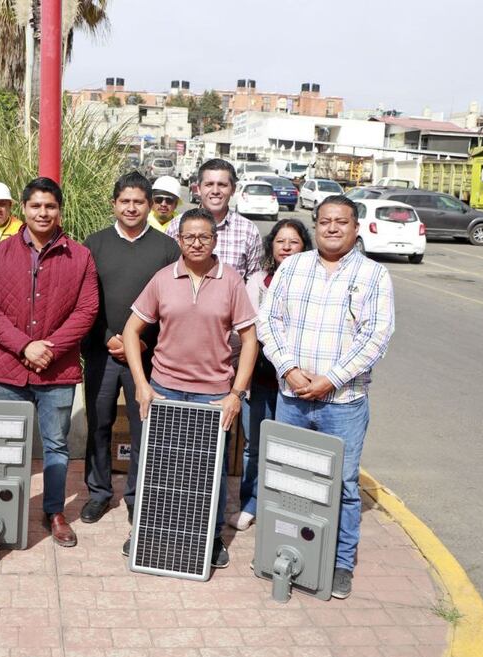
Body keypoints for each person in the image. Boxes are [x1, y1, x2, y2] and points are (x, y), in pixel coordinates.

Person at [258, 195, 394, 599]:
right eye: (325, 221)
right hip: (293, 396)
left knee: (344, 486)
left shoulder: (373, 275)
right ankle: (285, 550)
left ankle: (340, 563)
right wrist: (289, 369)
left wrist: (330, 379)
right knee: (287, 478)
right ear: (315, 225)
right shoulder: (294, 267)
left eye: (342, 222)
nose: (332, 228)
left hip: (344, 402)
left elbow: (377, 337)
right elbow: (269, 320)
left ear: (355, 228)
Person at [122, 208, 258, 568]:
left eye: (204, 237)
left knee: (207, 475)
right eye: (189, 237)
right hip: (164, 390)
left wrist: (236, 393)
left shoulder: (231, 282)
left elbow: (249, 340)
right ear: (178, 240)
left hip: (213, 395)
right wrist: (141, 384)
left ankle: (210, 539)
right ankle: (148, 532)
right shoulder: (163, 279)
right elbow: (131, 331)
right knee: (160, 470)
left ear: (215, 241)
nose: (196, 243)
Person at [0, 177, 99, 548]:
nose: (42, 212)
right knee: (5, 446)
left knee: (56, 445)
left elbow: (87, 309)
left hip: (57, 370)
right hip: (7, 368)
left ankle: (54, 511)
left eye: (50, 206)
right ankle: (2, 512)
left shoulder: (80, 256)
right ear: (23, 210)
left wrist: (51, 347)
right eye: (35, 206)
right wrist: (25, 346)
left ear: (59, 210)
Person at [80, 172, 180, 542]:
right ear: (114, 204)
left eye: (139, 201)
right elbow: (86, 301)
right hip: (102, 352)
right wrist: (110, 338)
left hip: (147, 356)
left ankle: (137, 496)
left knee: (144, 429)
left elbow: (172, 305)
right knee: (99, 423)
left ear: (150, 205)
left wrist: (142, 341)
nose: (132, 207)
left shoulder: (167, 249)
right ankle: (99, 492)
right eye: (125, 201)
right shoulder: (95, 244)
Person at [227, 219, 312, 532]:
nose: (287, 247)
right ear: (271, 246)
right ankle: (251, 502)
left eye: (294, 241)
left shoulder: (313, 280)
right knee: (254, 445)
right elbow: (244, 331)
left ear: (304, 246)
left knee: (289, 447)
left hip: (297, 381)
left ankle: (284, 507)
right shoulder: (256, 281)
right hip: (259, 377)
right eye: (281, 241)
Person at [166, 159, 263, 280]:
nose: (215, 191)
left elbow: (253, 283)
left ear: (233, 189)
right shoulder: (176, 226)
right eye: (209, 184)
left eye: (222, 185)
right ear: (199, 189)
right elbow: (167, 275)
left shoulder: (249, 231)